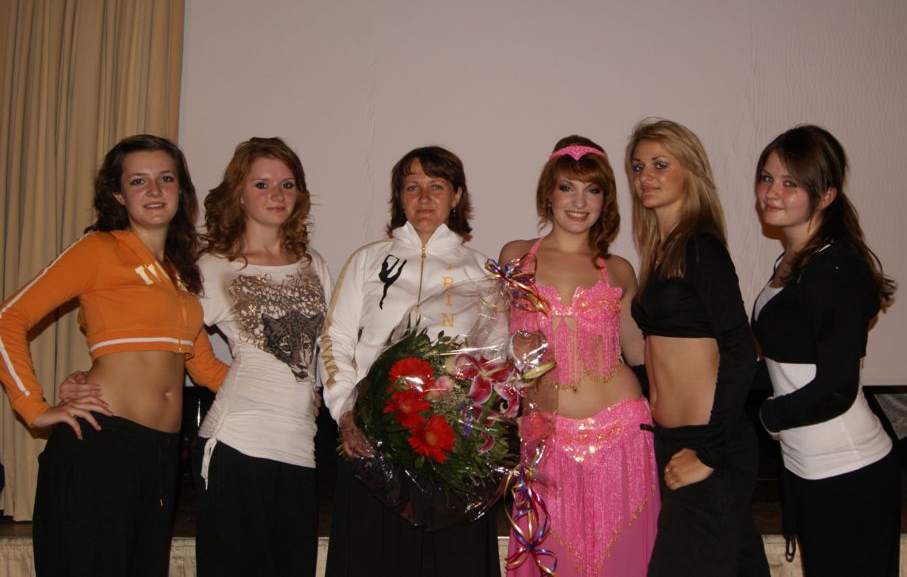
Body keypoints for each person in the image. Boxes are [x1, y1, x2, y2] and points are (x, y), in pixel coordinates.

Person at [0, 135, 228, 577]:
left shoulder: (182, 273)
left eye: (166, 178)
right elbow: (9, 318)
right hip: (100, 446)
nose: (154, 190)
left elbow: (206, 369)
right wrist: (34, 407)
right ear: (118, 194)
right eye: (138, 181)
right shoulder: (100, 249)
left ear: (181, 190)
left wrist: (286, 392)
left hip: (160, 455)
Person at [320, 146, 501, 577]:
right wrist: (346, 413)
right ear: (399, 197)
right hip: (372, 436)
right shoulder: (367, 261)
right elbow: (334, 340)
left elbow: (494, 359)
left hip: (451, 445)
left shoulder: (482, 270)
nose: (424, 198)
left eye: (436, 186)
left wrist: (471, 421)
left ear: (456, 196)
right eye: (412, 187)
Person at [499, 136, 659, 577]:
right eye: (567, 187)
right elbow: (493, 336)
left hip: (622, 433)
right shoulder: (516, 258)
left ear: (606, 200)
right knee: (555, 558)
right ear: (548, 193)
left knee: (622, 560)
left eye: (593, 190)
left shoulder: (618, 269)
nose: (579, 201)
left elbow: (639, 351)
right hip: (548, 438)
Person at [751, 125, 899, 576]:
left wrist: (768, 416)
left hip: (848, 471)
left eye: (790, 183)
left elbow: (835, 387)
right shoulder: (796, 259)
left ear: (827, 194)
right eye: (767, 177)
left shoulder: (835, 268)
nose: (772, 192)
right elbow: (787, 365)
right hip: (808, 467)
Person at [626, 118, 768, 576]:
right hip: (675, 442)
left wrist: (709, 453)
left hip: (708, 444)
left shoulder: (700, 247)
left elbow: (741, 350)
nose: (645, 175)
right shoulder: (661, 250)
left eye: (660, 164)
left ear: (690, 170)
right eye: (638, 166)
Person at [194, 138, 333, 576]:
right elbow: (175, 341)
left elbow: (329, 345)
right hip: (238, 442)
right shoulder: (213, 267)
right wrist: (221, 378)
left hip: (301, 446)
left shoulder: (312, 263)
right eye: (262, 184)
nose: (277, 194)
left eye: (287, 184)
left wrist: (316, 386)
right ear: (238, 193)